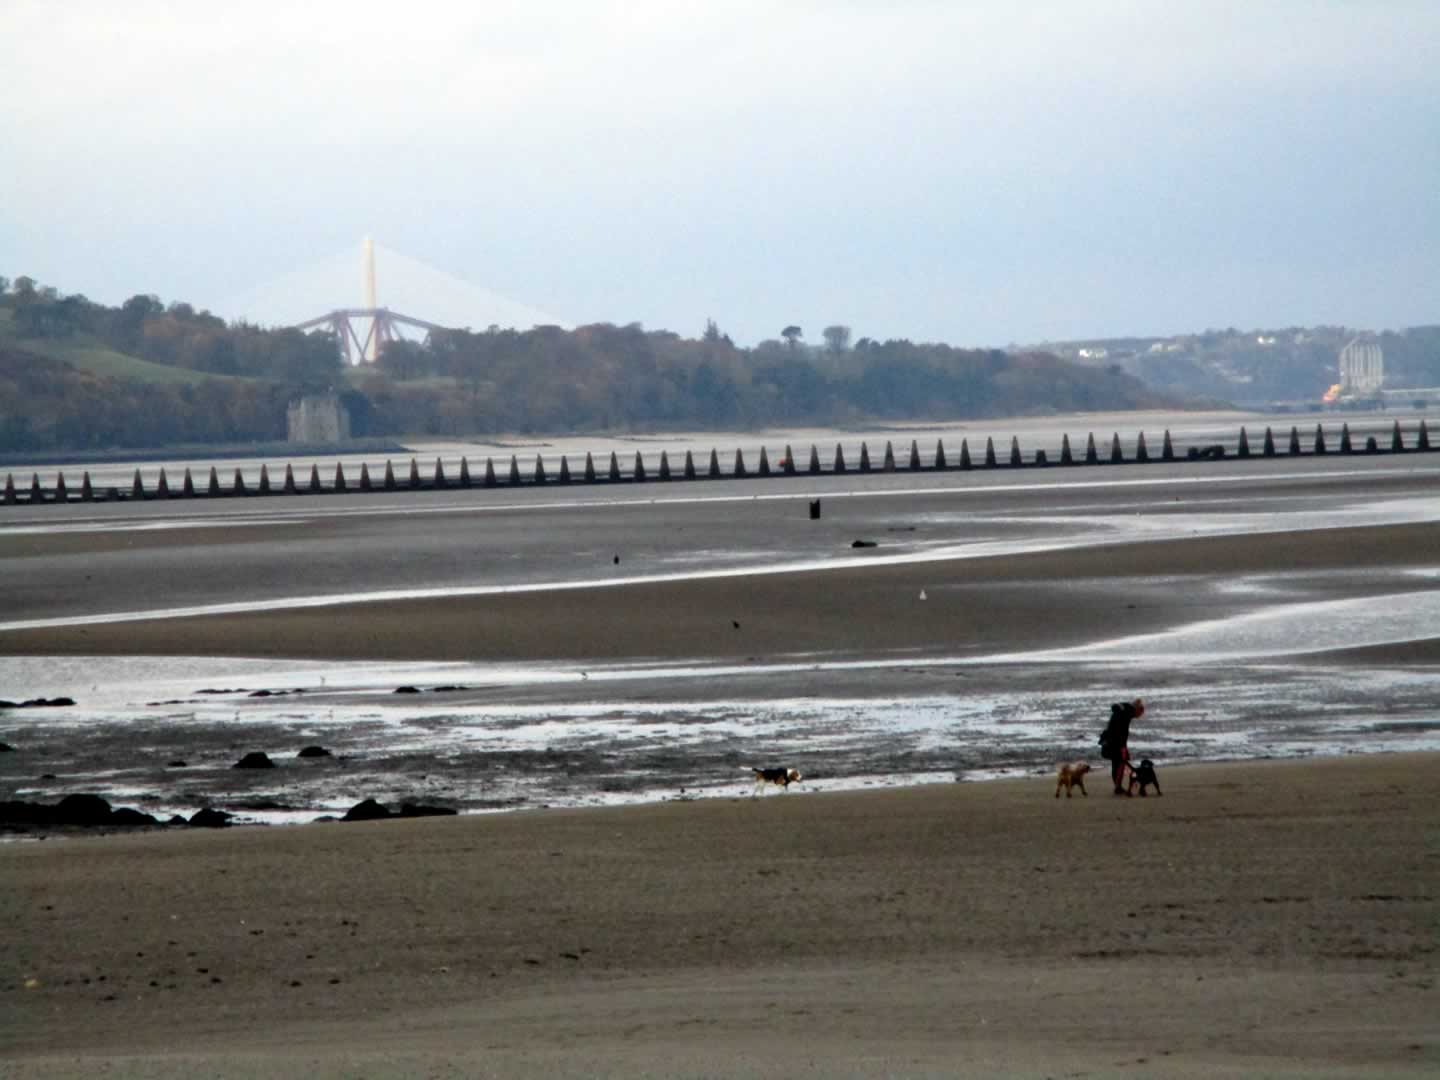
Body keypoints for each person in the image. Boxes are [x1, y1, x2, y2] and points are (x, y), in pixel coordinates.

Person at [1099, 698, 1145, 796]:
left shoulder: (1123, 710)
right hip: (1116, 742)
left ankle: (1118, 786)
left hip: (1111, 739)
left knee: (1116, 764)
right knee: (1120, 763)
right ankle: (1118, 787)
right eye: (1140, 715)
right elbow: (1121, 732)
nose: (1138, 717)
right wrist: (1123, 747)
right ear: (1138, 710)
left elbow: (1116, 728)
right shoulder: (1126, 713)